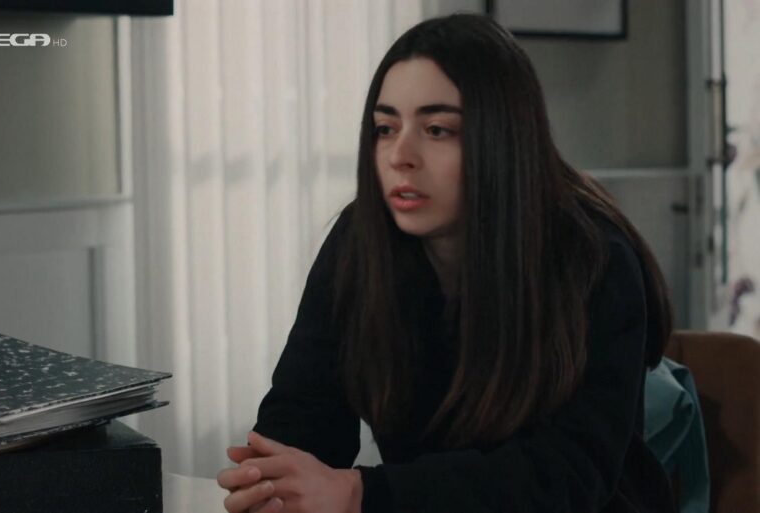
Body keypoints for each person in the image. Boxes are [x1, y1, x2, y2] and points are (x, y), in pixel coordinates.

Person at [217, 13, 677, 513]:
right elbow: (304, 413)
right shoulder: (360, 241)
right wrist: (272, 482)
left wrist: (363, 493)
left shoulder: (593, 258)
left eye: (437, 130)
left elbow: (566, 475)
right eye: (385, 128)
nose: (400, 155)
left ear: (502, 139)